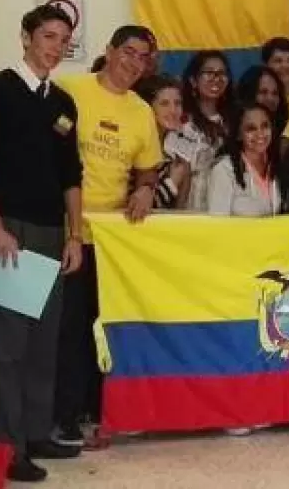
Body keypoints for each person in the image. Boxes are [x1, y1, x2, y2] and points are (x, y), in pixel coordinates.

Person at [53, 25, 163, 449]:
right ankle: (61, 418)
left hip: (112, 242)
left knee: (103, 329)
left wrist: (146, 188)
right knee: (65, 329)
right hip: (64, 231)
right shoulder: (71, 90)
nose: (134, 63)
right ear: (109, 50)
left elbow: (148, 168)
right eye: (128, 52)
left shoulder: (141, 112)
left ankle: (94, 413)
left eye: (143, 57)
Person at [0, 5, 85, 482]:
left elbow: (71, 175)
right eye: (48, 36)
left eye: (63, 40)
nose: (56, 47)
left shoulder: (63, 103)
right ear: (26, 36)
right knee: (9, 346)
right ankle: (9, 447)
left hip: (51, 233)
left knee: (44, 341)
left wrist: (75, 235)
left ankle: (36, 431)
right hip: (10, 229)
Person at [133, 76, 201, 209]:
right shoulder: (134, 146)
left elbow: (179, 213)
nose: (173, 111)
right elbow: (136, 209)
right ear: (147, 107)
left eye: (178, 103)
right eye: (164, 104)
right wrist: (172, 182)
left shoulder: (179, 157)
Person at [207, 102, 281, 218]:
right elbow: (217, 222)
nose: (260, 134)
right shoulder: (224, 170)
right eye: (251, 129)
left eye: (265, 126)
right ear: (239, 134)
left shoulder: (277, 165)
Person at [181, 51, 234, 211]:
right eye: (209, 72)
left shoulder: (234, 121)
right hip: (190, 206)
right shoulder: (182, 120)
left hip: (226, 205)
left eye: (222, 73)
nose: (216, 78)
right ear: (193, 81)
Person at [235, 65, 289, 134]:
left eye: (275, 93)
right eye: (263, 92)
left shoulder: (286, 132)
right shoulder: (232, 129)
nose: (270, 98)